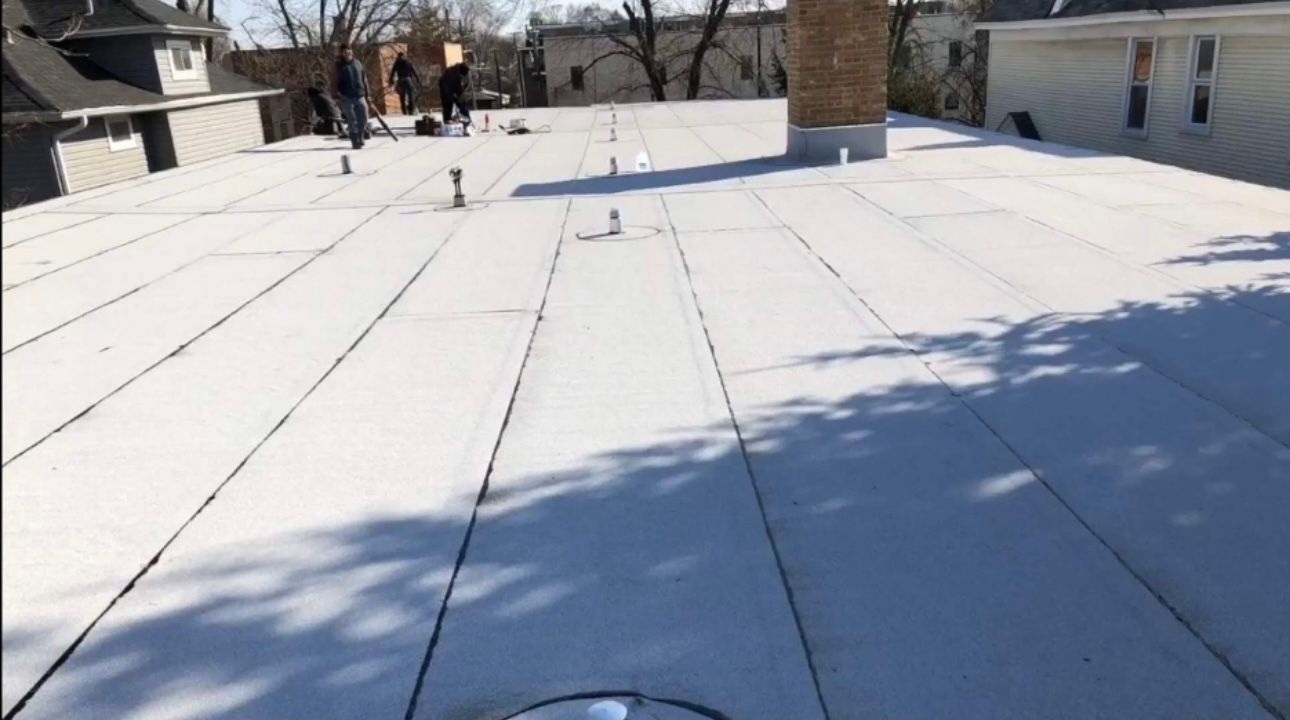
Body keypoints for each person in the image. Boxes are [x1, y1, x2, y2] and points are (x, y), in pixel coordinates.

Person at [333, 44, 369, 149]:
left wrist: (368, 94)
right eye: (344, 51)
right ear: (342, 53)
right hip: (346, 96)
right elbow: (334, 81)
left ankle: (361, 136)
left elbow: (364, 79)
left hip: (360, 95)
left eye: (349, 50)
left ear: (351, 51)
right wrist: (335, 95)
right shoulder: (338, 66)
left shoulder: (358, 63)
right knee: (352, 119)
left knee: (364, 118)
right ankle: (355, 141)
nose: (347, 53)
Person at [388, 51, 422, 116]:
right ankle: (411, 110)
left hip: (401, 80)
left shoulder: (397, 63)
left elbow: (393, 72)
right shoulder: (408, 62)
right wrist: (418, 79)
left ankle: (404, 111)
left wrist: (391, 80)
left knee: (402, 96)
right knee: (410, 95)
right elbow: (414, 71)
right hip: (408, 80)